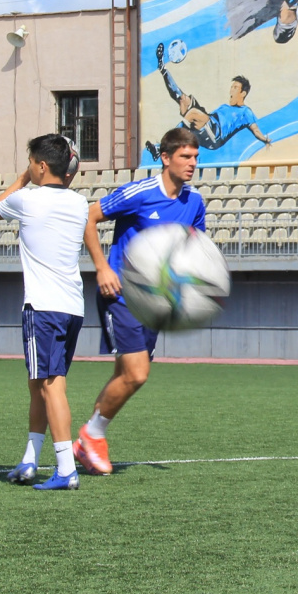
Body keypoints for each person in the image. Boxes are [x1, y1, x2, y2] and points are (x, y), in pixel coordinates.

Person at [74, 127, 207, 473]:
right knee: (137, 374)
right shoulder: (140, 192)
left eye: (196, 157)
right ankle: (91, 435)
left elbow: (193, 248)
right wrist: (102, 268)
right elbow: (89, 218)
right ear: (165, 158)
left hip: (155, 302)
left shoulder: (194, 202)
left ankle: (88, 442)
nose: (192, 163)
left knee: (125, 374)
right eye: (185, 156)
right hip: (121, 294)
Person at [0, 134, 100, 491]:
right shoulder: (79, 203)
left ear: (40, 165)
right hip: (72, 308)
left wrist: (23, 178)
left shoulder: (26, 198)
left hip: (42, 307)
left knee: (52, 385)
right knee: (39, 383)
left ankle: (66, 468)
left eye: (31, 163)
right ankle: (30, 460)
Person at [153, 52, 273, 155]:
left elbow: (255, 129)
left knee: (193, 113)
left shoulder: (245, 112)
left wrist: (265, 140)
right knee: (183, 100)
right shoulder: (224, 107)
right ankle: (163, 69)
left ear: (243, 93)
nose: (231, 90)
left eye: (235, 87)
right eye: (231, 87)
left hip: (216, 135)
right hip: (208, 125)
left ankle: (162, 147)